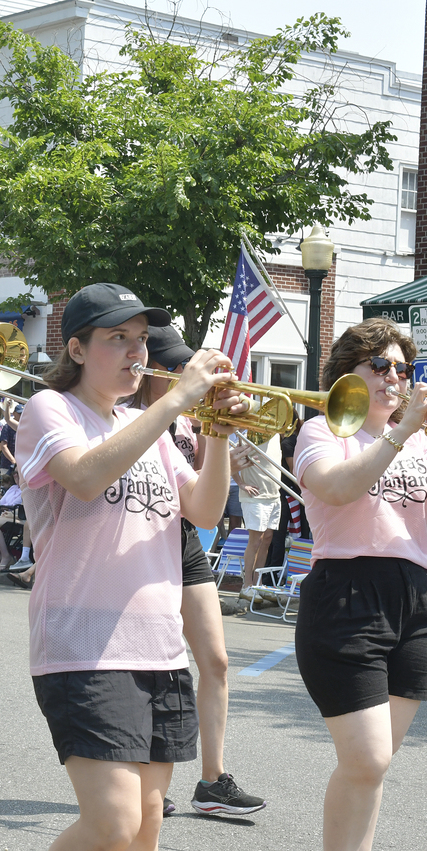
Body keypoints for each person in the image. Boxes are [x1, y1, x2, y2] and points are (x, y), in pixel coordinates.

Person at [0, 284, 243, 851]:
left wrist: (214, 432)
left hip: (158, 648)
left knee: (145, 826)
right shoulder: (50, 410)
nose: (135, 352)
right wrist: (178, 403)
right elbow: (87, 478)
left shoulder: (146, 423)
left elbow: (206, 511)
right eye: (118, 339)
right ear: (77, 348)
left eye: (141, 340)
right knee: (113, 821)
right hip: (84, 645)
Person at [290, 317, 427, 851]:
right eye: (382, 367)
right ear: (350, 373)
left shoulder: (419, 440)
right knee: (365, 758)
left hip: (416, 599)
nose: (396, 378)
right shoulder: (324, 431)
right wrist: (400, 433)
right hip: (346, 595)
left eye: (403, 368)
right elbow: (337, 489)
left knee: (377, 766)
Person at [136, 324, 266, 821]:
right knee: (152, 662)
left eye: (181, 365)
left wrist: (224, 451)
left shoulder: (190, 420)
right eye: (170, 366)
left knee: (215, 660)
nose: (178, 373)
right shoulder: (132, 416)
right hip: (142, 537)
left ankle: (212, 781)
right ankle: (151, 771)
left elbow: (198, 487)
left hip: (184, 538)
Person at [233, 429, 282, 598]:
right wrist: (241, 484)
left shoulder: (276, 434)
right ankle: (247, 586)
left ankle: (258, 583)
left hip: (274, 494)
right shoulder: (248, 437)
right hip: (255, 496)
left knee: (267, 539)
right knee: (256, 540)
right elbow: (230, 461)